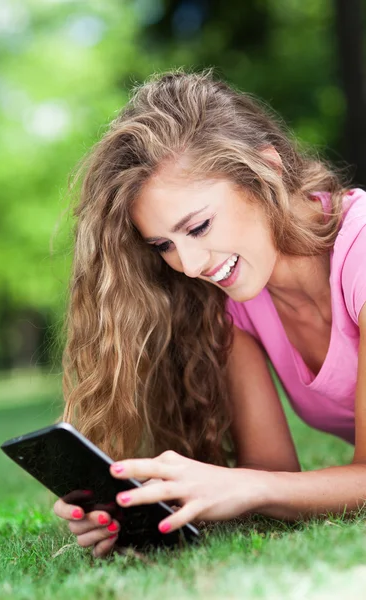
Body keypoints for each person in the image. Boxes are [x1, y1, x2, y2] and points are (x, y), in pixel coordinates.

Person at [53, 68, 366, 559]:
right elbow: (270, 478)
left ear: (268, 170)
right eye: (164, 245)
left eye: (197, 226)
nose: (192, 265)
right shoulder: (240, 300)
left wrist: (247, 486)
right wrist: (158, 502)